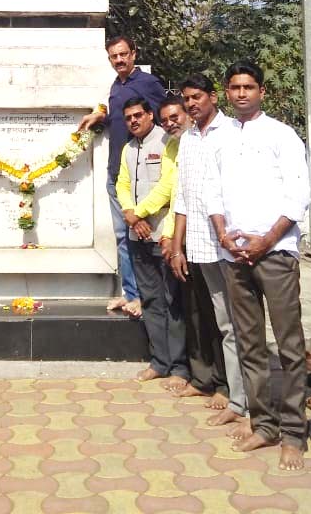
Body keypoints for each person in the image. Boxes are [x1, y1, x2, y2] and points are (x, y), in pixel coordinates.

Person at [208, 61, 310, 471]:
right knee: (249, 344)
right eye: (234, 87)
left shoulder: (281, 135)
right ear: (227, 92)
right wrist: (222, 234)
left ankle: (295, 434)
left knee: (288, 346)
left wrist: (267, 240)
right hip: (234, 255)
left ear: (262, 92)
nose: (241, 94)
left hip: (276, 253)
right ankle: (263, 425)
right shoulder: (222, 138)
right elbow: (212, 192)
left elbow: (298, 194)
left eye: (249, 87)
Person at [165, 76, 248, 430]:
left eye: (197, 97)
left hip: (227, 245)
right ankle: (227, 391)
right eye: (187, 99)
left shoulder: (231, 133)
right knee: (216, 321)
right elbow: (183, 196)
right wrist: (178, 245)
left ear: (214, 97)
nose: (192, 104)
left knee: (235, 324)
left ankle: (241, 398)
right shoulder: (188, 140)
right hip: (198, 245)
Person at [79, 36, 166, 317]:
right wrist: (100, 118)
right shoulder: (117, 86)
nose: (119, 60)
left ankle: (147, 297)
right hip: (117, 172)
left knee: (143, 236)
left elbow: (158, 119)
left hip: (143, 173)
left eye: (123, 55)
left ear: (133, 54)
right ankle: (130, 293)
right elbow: (121, 119)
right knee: (122, 237)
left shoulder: (147, 84)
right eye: (114, 56)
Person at [115, 98, 189, 383]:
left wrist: (140, 213)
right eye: (128, 117)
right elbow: (122, 184)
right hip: (137, 235)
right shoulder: (128, 148)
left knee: (173, 303)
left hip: (163, 235)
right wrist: (131, 215)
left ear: (150, 116)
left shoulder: (167, 141)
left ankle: (180, 368)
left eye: (138, 115)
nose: (133, 121)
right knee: (151, 301)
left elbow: (168, 187)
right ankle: (159, 362)